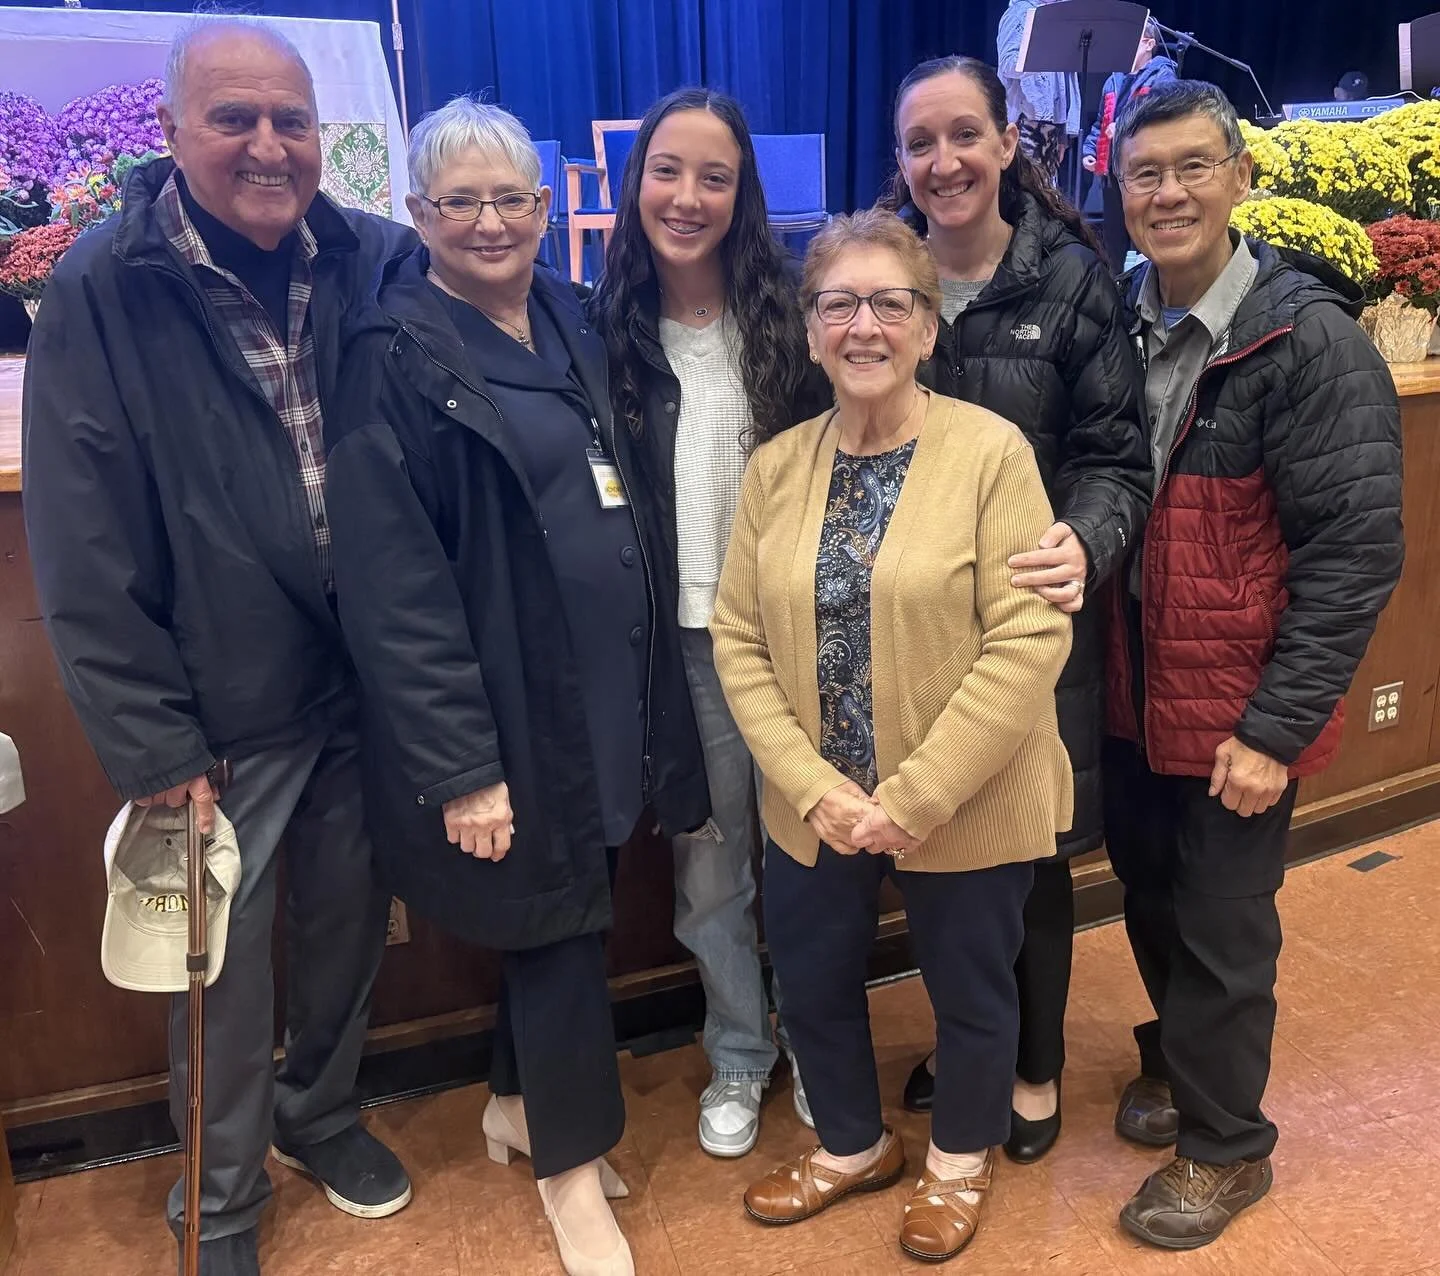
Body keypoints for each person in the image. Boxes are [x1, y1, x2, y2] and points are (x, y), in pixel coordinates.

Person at [22, 21, 415, 1275]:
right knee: (223, 975)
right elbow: (79, 541)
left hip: (362, 677)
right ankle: (227, 1195)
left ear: (320, 137)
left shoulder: (367, 257)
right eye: (233, 119)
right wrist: (150, 741)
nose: (266, 145)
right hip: (219, 705)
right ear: (174, 132)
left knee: (351, 931)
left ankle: (320, 1114)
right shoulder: (103, 282)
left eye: (289, 121)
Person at [325, 96, 709, 1276]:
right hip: (507, 702)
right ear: (416, 214)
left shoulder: (572, 313)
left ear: (547, 210)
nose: (490, 222)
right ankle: (571, 1171)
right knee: (553, 928)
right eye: (461, 202)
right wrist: (463, 766)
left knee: (573, 900)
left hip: (601, 686)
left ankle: (511, 1105)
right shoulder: (393, 358)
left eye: (511, 199)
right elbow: (394, 591)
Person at [713, 208, 1075, 1263]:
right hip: (814, 799)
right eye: (839, 303)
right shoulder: (777, 466)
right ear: (814, 326)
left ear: (927, 328)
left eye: (890, 303)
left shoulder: (990, 454)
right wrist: (812, 783)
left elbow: (1026, 640)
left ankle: (959, 1163)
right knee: (816, 984)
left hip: (965, 794)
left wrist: (912, 797)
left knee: (971, 991)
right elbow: (738, 636)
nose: (862, 325)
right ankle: (852, 1144)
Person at [1104, 80, 1404, 1248]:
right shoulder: (1118, 322)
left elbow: (1355, 555)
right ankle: (1181, 1066)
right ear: (1117, 191)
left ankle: (1227, 1148)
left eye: (1191, 168)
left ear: (1239, 176)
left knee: (1228, 929)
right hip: (1132, 697)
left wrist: (1273, 729)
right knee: (1152, 894)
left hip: (1236, 713)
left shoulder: (1307, 340)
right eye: (1145, 173)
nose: (1168, 193)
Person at [881, 55, 1151, 1165]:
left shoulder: (1072, 283)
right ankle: (972, 1043)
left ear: (1007, 146)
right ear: (899, 162)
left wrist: (1080, 538)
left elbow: (1116, 460)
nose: (941, 162)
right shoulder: (881, 274)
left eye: (962, 136)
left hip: (1033, 623)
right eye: (918, 143)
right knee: (943, 853)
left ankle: (1032, 1067)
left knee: (1026, 852)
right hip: (912, 627)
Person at [590, 88, 831, 1158]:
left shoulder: (799, 315)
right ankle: (742, 1048)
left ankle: (826, 1048)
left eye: (715, 176)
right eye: (667, 171)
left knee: (819, 861)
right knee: (711, 871)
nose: (688, 197)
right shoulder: (598, 332)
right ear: (632, 182)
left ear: (745, 194)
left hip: (801, 638)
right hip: (679, 651)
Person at [1082, 19, 1179, 269]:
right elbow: (1100, 123)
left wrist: (1124, 125)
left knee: (1142, 229)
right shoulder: (1113, 79)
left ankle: (1145, 282)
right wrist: (1090, 150)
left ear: (1148, 44)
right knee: (1114, 233)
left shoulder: (1162, 74)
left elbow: (1160, 114)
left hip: (1142, 170)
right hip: (1113, 171)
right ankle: (1115, 285)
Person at [997, 0, 1080, 183]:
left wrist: (1063, 134)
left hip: (1050, 128)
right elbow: (1008, 63)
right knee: (1023, 193)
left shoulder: (1060, 19)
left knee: (1046, 197)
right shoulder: (1021, 12)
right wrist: (1041, 55)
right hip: (1025, 125)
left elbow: (1066, 81)